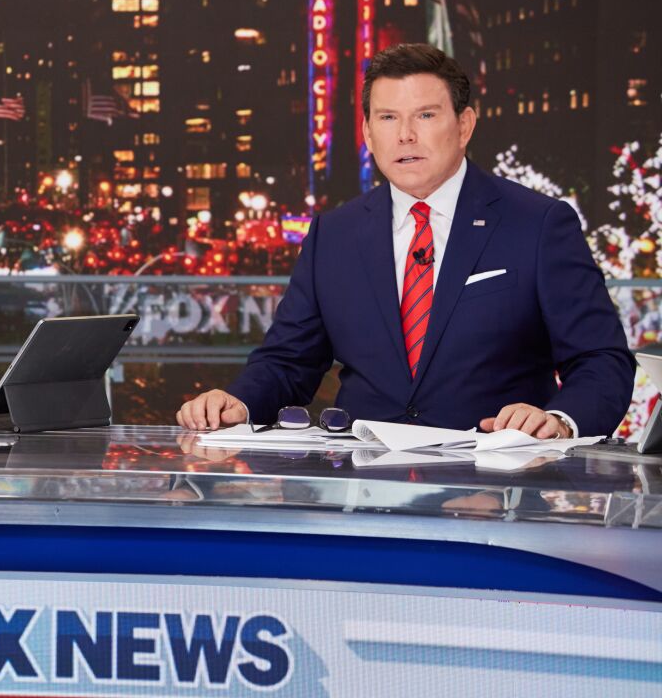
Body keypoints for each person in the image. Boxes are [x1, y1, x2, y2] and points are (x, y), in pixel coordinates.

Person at [178, 43, 634, 439]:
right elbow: (288, 363)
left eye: (426, 115)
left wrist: (559, 421)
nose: (406, 135)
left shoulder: (538, 224)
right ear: (368, 133)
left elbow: (602, 360)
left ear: (465, 124)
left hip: (497, 489)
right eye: (388, 117)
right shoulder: (333, 234)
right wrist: (237, 402)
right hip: (364, 494)